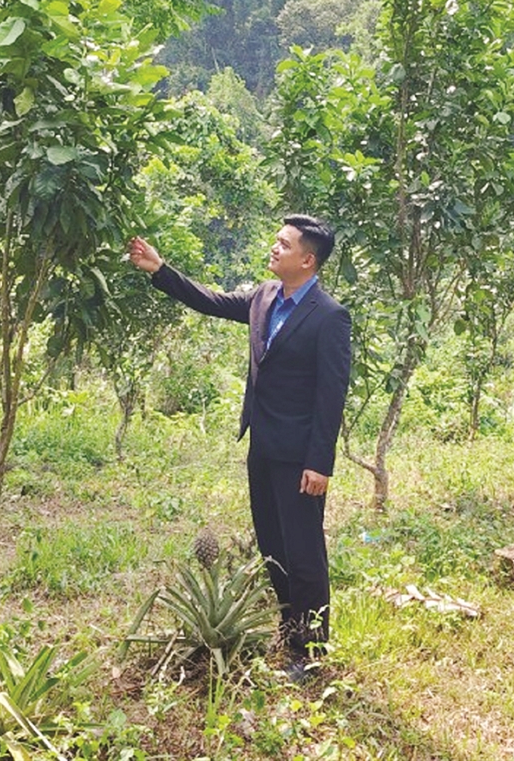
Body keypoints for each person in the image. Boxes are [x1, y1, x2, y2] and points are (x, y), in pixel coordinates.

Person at [128, 216, 351, 682]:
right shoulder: (265, 297)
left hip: (299, 458)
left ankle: (310, 651)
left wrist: (319, 462)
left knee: (304, 553)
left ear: (307, 260)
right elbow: (209, 300)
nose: (274, 248)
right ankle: (290, 630)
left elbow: (331, 396)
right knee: (272, 545)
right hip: (263, 447)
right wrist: (159, 269)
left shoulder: (329, 317)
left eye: (284, 244)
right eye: (276, 239)